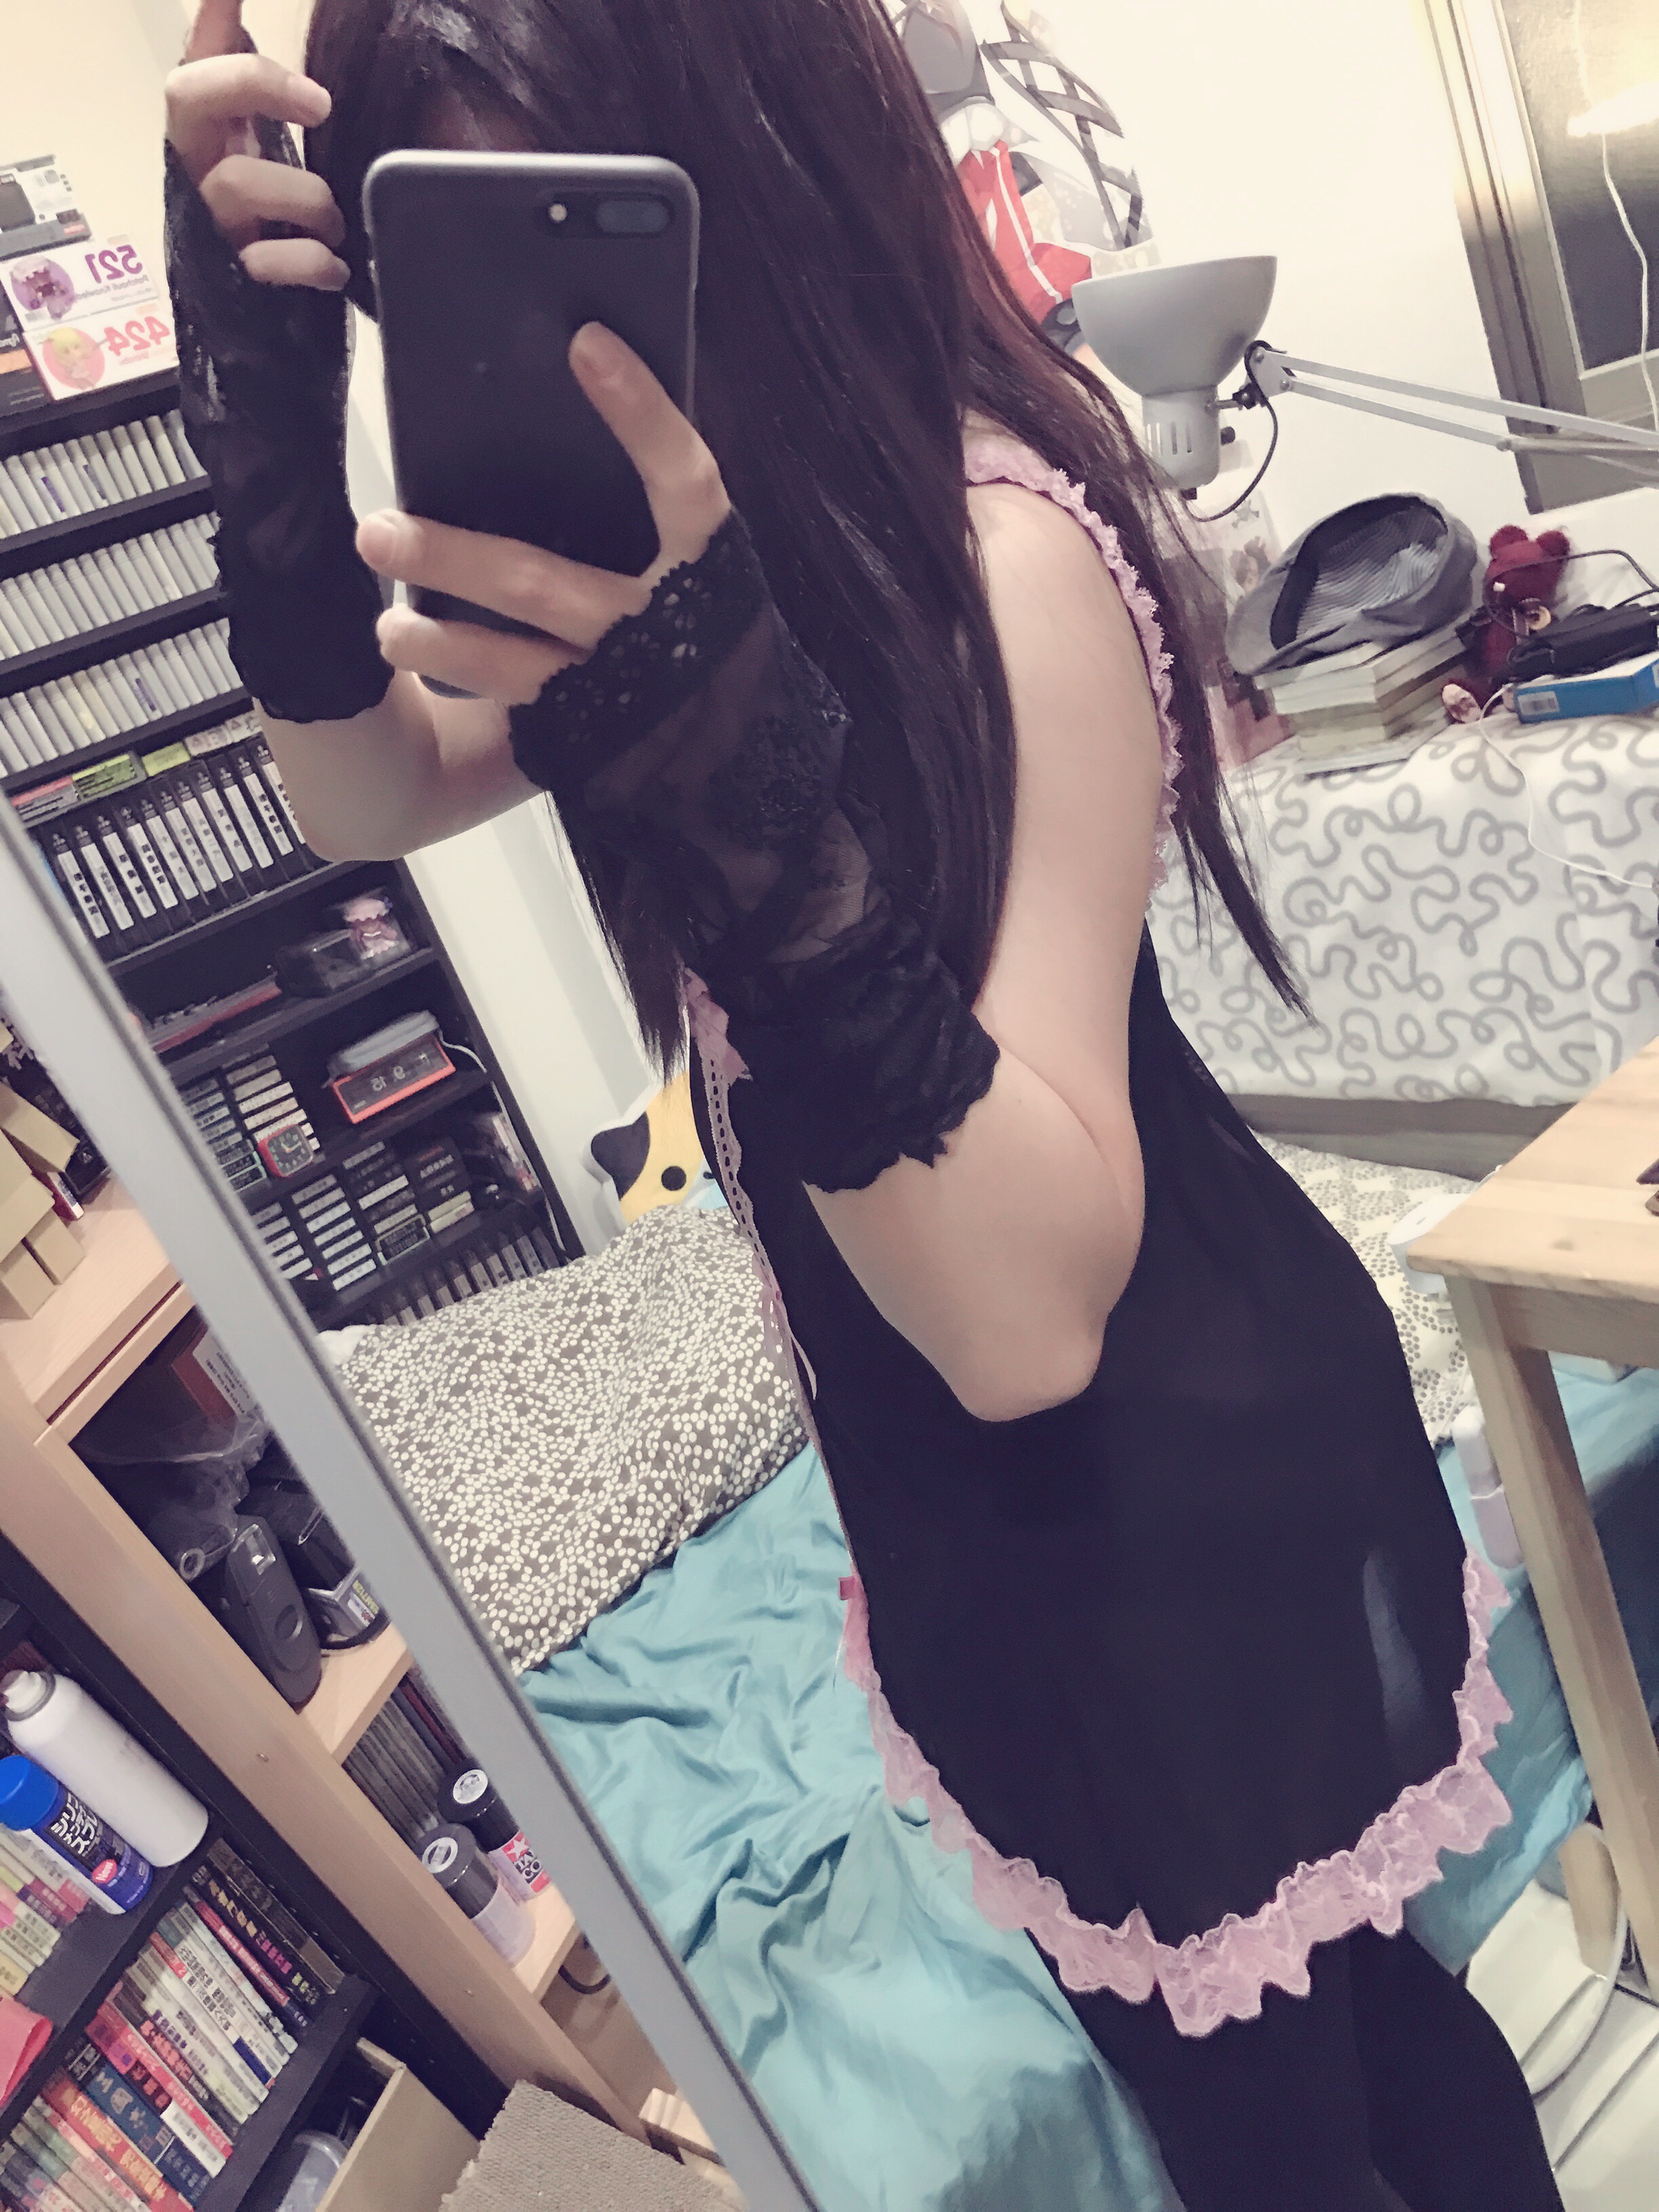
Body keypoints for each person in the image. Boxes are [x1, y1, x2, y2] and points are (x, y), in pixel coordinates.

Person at [163, 3, 1563, 2205]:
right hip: (962, 1505)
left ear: (748, 154)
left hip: (1161, 1492)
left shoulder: (996, 550)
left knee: (1293, 2109)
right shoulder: (678, 580)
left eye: (589, 220)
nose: (555, 333)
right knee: (1317, 2058)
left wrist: (713, 736)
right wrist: (261, 437)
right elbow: (366, 795)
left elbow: (1023, 1325)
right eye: (446, 246)